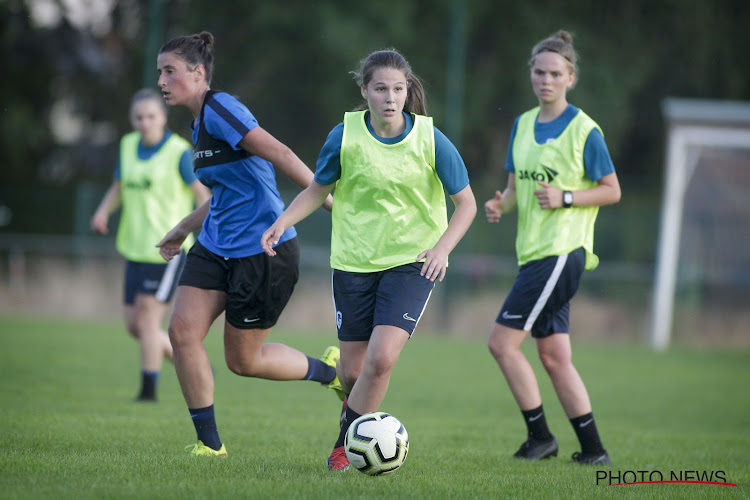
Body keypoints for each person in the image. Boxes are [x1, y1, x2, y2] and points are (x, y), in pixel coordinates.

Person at [261, 49, 477, 471]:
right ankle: (351, 401)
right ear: (364, 91)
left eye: (398, 89)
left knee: (381, 361)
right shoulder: (343, 136)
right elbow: (317, 190)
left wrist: (442, 248)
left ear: (407, 90)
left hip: (413, 262)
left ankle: (344, 447)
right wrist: (281, 222)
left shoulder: (431, 139)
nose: (390, 97)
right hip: (354, 262)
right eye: (380, 88)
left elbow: (466, 204)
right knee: (355, 372)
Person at [154, 31, 342, 457]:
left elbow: (280, 153)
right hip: (215, 246)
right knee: (182, 332)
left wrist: (328, 202)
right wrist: (184, 227)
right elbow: (223, 193)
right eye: (159, 73)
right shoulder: (198, 122)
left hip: (262, 251)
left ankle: (329, 372)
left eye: (171, 71)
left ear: (198, 73)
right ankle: (209, 446)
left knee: (244, 362)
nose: (162, 81)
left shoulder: (221, 107)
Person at [484, 30, 621, 465]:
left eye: (555, 73)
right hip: (535, 253)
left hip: (561, 252)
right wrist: (498, 206)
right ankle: (594, 450)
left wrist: (566, 197)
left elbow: (612, 190)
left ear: (571, 77)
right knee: (555, 355)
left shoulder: (585, 130)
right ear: (531, 74)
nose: (546, 80)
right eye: (539, 72)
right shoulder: (523, 125)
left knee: (502, 344)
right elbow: (514, 191)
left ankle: (540, 437)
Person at [91, 88, 211, 402]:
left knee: (147, 318)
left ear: (163, 118)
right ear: (133, 120)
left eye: (151, 116)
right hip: (134, 247)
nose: (145, 123)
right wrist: (103, 211)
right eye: (139, 117)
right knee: (134, 325)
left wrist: (205, 225)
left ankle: (148, 392)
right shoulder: (128, 146)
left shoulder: (178, 151)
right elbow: (118, 186)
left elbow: (203, 197)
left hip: (167, 250)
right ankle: (193, 363)